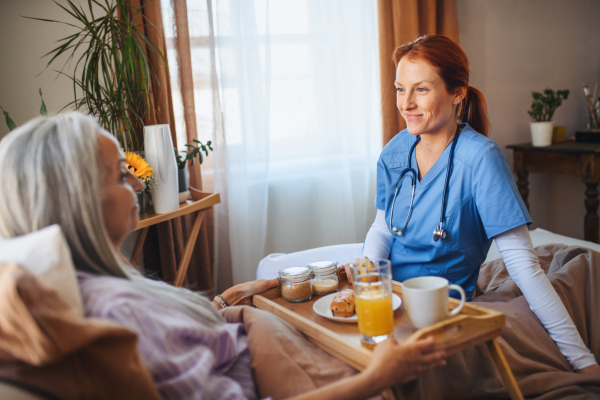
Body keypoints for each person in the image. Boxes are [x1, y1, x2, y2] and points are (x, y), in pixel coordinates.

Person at [0, 112, 446, 400]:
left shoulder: (98, 287)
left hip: (255, 337)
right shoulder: (119, 313)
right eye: (121, 174)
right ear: (78, 197)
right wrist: (377, 377)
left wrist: (241, 297)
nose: (138, 184)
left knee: (273, 272)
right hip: (273, 366)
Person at [258, 35, 600, 378]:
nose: (406, 103)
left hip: (435, 308)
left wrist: (584, 362)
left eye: (421, 89)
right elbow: (383, 225)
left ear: (457, 93)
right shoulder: (395, 152)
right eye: (399, 89)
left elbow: (524, 266)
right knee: (284, 326)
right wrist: (370, 267)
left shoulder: (481, 159)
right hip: (384, 296)